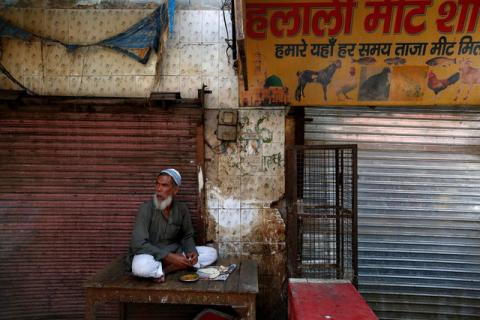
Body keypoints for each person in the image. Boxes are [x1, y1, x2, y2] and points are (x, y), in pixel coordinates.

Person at [127, 168, 217, 282]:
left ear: (175, 190)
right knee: (139, 268)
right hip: (151, 255)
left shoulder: (182, 209)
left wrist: (191, 251)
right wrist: (168, 257)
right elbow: (138, 243)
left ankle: (164, 271)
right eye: (157, 184)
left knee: (211, 253)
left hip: (175, 252)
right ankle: (174, 267)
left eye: (164, 185)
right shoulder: (146, 209)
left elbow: (187, 236)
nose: (159, 189)